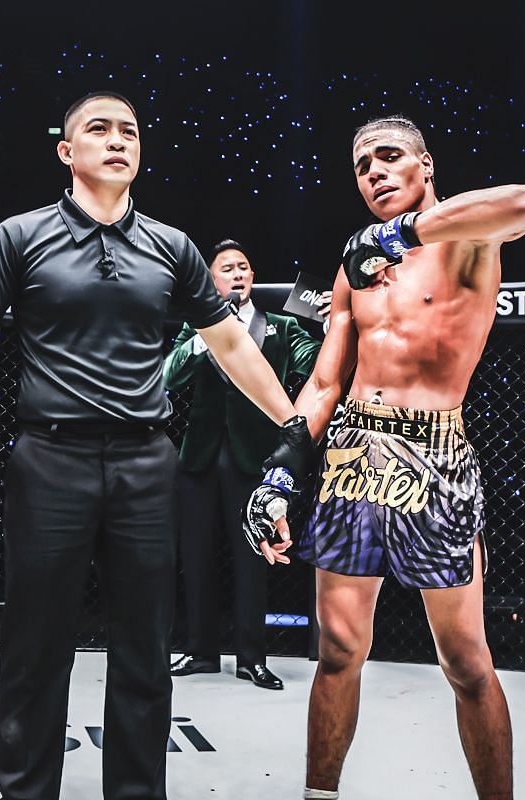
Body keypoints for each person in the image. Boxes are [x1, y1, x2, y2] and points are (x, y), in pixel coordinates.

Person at [0, 90, 316, 800]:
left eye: (129, 131)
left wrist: (292, 423)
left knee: (144, 648)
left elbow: (229, 341)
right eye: (98, 130)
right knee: (34, 647)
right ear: (65, 152)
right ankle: (25, 790)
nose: (117, 141)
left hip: (145, 460)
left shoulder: (172, 246)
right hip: (50, 460)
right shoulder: (20, 235)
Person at [245, 114, 525, 800]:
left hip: (436, 453)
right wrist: (281, 471)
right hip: (352, 453)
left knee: (465, 660)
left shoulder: (467, 237)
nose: (374, 172)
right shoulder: (355, 262)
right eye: (361, 166)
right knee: (339, 650)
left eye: (388, 157)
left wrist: (399, 232)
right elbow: (325, 381)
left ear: (425, 165)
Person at [166, 239, 322, 689]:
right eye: (227, 268)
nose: (237, 274)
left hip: (255, 459)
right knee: (195, 556)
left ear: (251, 278)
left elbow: (315, 367)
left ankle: (252, 657)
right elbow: (167, 377)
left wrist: (332, 329)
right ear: (212, 280)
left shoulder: (282, 326)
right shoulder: (194, 326)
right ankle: (199, 651)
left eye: (244, 267)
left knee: (253, 558)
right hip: (199, 458)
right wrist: (203, 334)